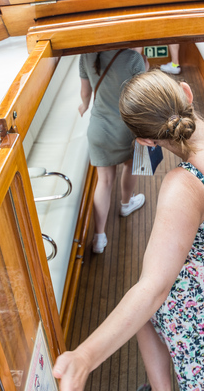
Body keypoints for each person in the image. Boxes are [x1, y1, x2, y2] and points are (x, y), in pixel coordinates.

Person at [54, 69, 204, 390]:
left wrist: (84, 357)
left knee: (148, 308)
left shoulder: (185, 185)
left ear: (145, 140)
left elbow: (153, 289)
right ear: (187, 91)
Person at [78, 50, 148, 254]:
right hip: (126, 127)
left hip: (99, 129)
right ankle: (126, 204)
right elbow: (143, 95)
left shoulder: (85, 56)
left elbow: (85, 92)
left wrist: (84, 106)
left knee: (105, 182)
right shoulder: (133, 58)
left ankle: (99, 237)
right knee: (130, 166)